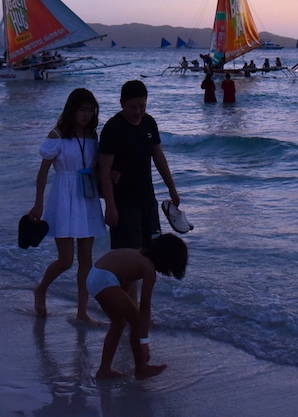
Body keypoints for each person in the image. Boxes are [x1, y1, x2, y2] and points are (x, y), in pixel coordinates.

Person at [28, 88, 106, 323]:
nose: (86, 114)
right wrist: (38, 203)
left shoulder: (93, 136)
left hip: (87, 194)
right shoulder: (57, 135)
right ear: (72, 110)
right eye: (82, 110)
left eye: (90, 110)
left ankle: (82, 312)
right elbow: (42, 172)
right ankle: (41, 288)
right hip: (63, 194)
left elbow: (96, 168)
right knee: (65, 259)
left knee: (86, 259)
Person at [99, 80, 186, 254]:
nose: (138, 111)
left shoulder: (149, 123)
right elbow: (104, 170)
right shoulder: (113, 128)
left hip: (147, 199)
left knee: (150, 253)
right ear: (121, 103)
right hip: (123, 202)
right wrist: (110, 206)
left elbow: (159, 157)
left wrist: (172, 188)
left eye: (142, 106)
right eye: (132, 107)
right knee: (128, 257)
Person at [89, 234, 188, 380]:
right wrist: (144, 342)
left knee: (119, 322)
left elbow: (124, 277)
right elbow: (145, 307)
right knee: (135, 319)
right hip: (105, 280)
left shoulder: (138, 255)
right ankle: (141, 368)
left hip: (95, 277)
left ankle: (104, 370)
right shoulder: (148, 268)